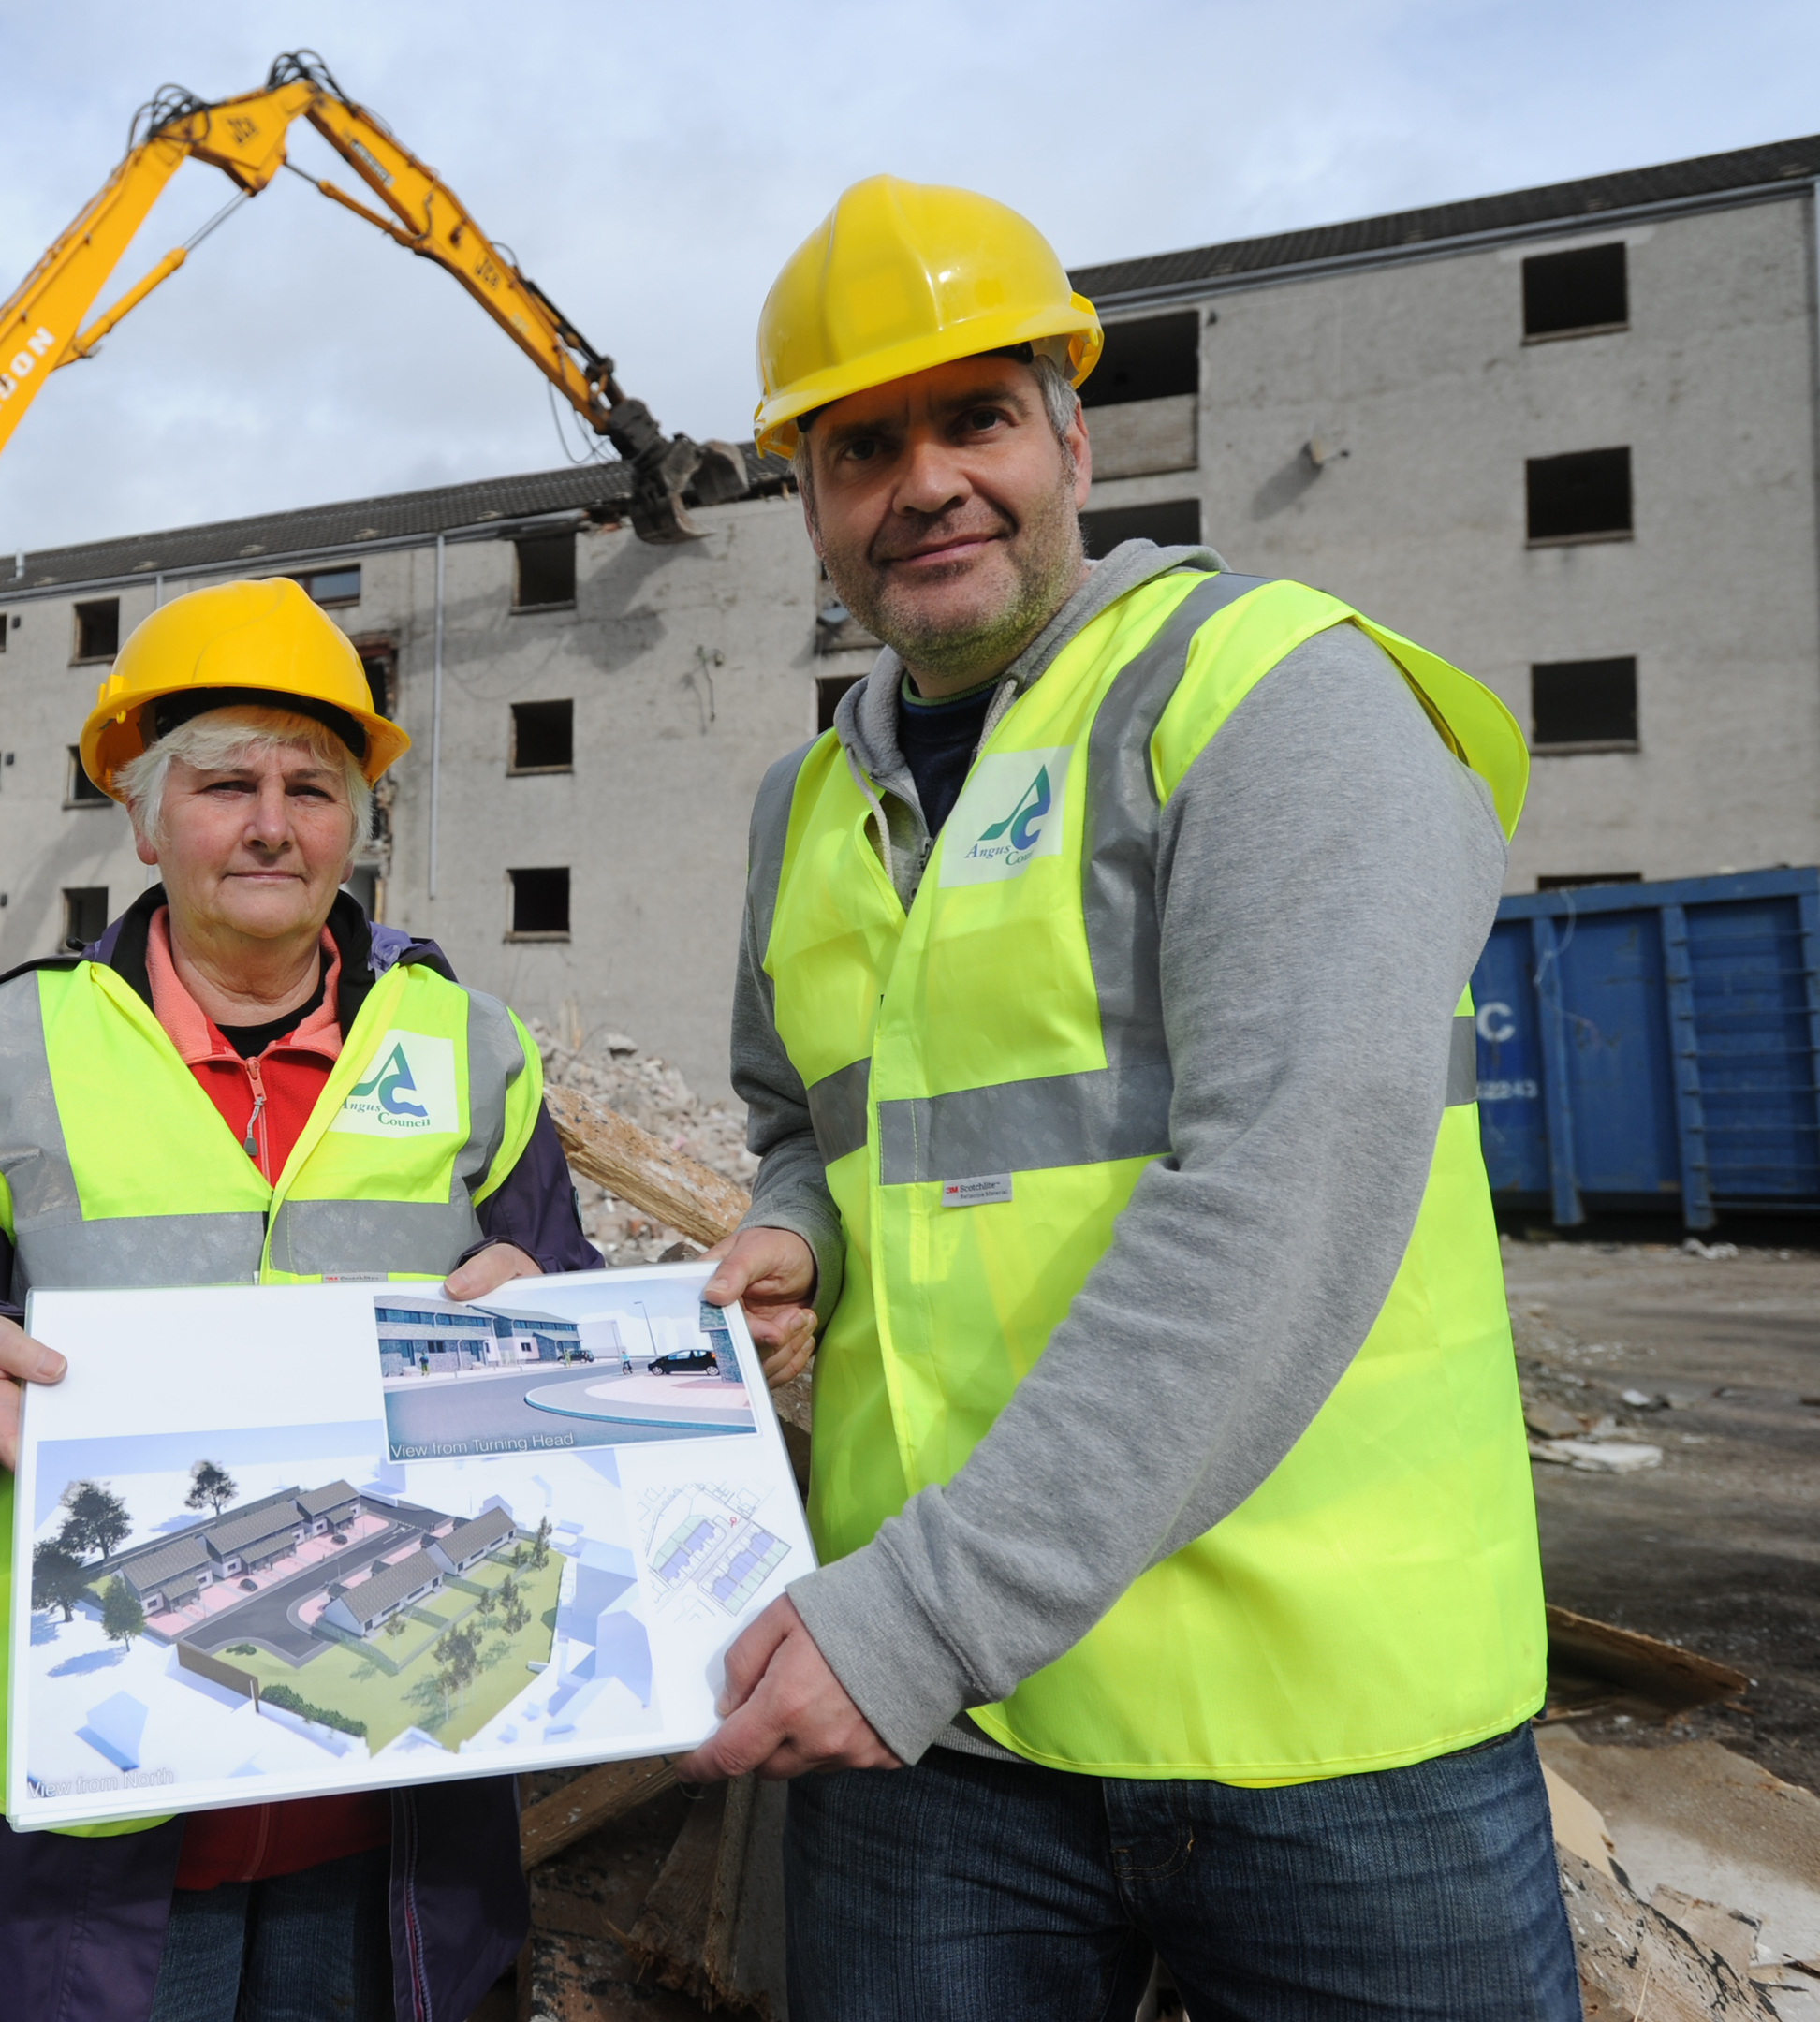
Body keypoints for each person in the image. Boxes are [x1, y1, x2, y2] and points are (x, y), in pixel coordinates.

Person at [681, 177, 1578, 2017]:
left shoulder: (1268, 697)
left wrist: (917, 1619)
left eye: (974, 419)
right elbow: (813, 1121)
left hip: (1323, 1723)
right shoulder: (806, 806)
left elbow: (1286, 1186)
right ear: (812, 505)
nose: (921, 480)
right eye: (862, 446)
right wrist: (796, 1229)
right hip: (951, 1752)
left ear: (1074, 440)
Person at [0, 576, 601, 2022]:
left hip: (383, 1801)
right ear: (140, 816)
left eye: (312, 785)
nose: (270, 822)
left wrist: (545, 1313)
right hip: (97, 1801)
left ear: (356, 821)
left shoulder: (472, 1050)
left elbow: (575, 1330)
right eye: (225, 781)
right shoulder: (5, 1052)